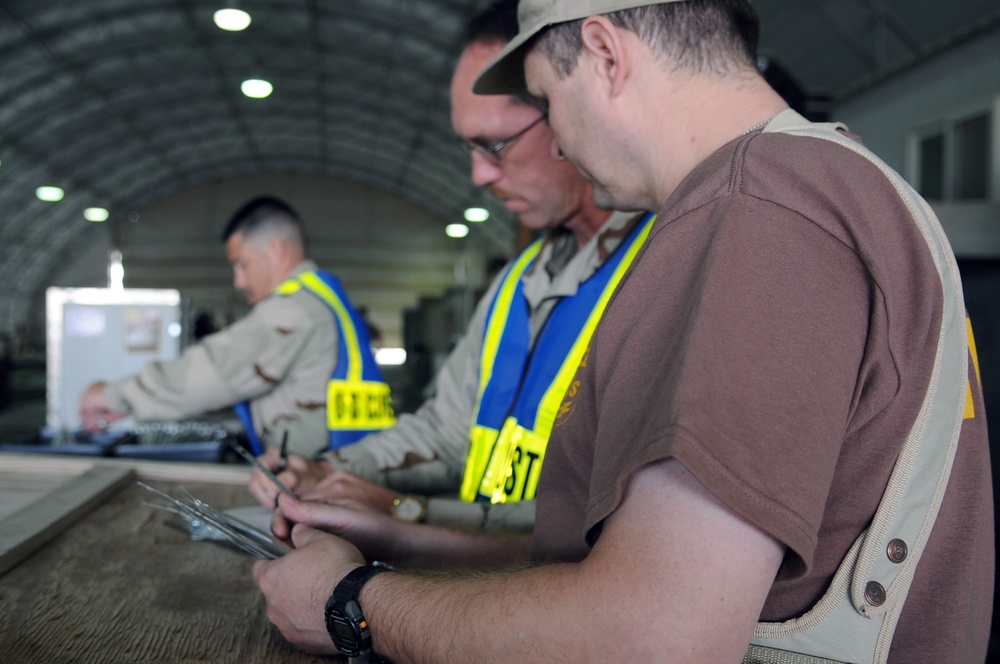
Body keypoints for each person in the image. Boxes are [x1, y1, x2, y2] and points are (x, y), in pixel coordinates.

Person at [252, 2, 993, 662]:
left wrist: (351, 602)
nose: (562, 142)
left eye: (544, 97)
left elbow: (652, 636)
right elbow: (646, 561)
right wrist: (410, 536)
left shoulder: (758, 212)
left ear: (605, 54)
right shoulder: (827, 186)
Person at [247, 0, 651, 533]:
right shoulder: (519, 282)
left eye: (494, 146)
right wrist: (328, 470)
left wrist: (407, 513)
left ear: (571, 106)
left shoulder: (660, 271)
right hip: (495, 587)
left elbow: (616, 529)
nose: (479, 175)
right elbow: (446, 432)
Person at [79, 196, 394, 458]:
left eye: (242, 264)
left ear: (276, 250)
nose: (238, 281)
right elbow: (250, 390)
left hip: (323, 483)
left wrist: (111, 395)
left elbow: (214, 373)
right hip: (348, 467)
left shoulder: (296, 310)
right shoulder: (324, 296)